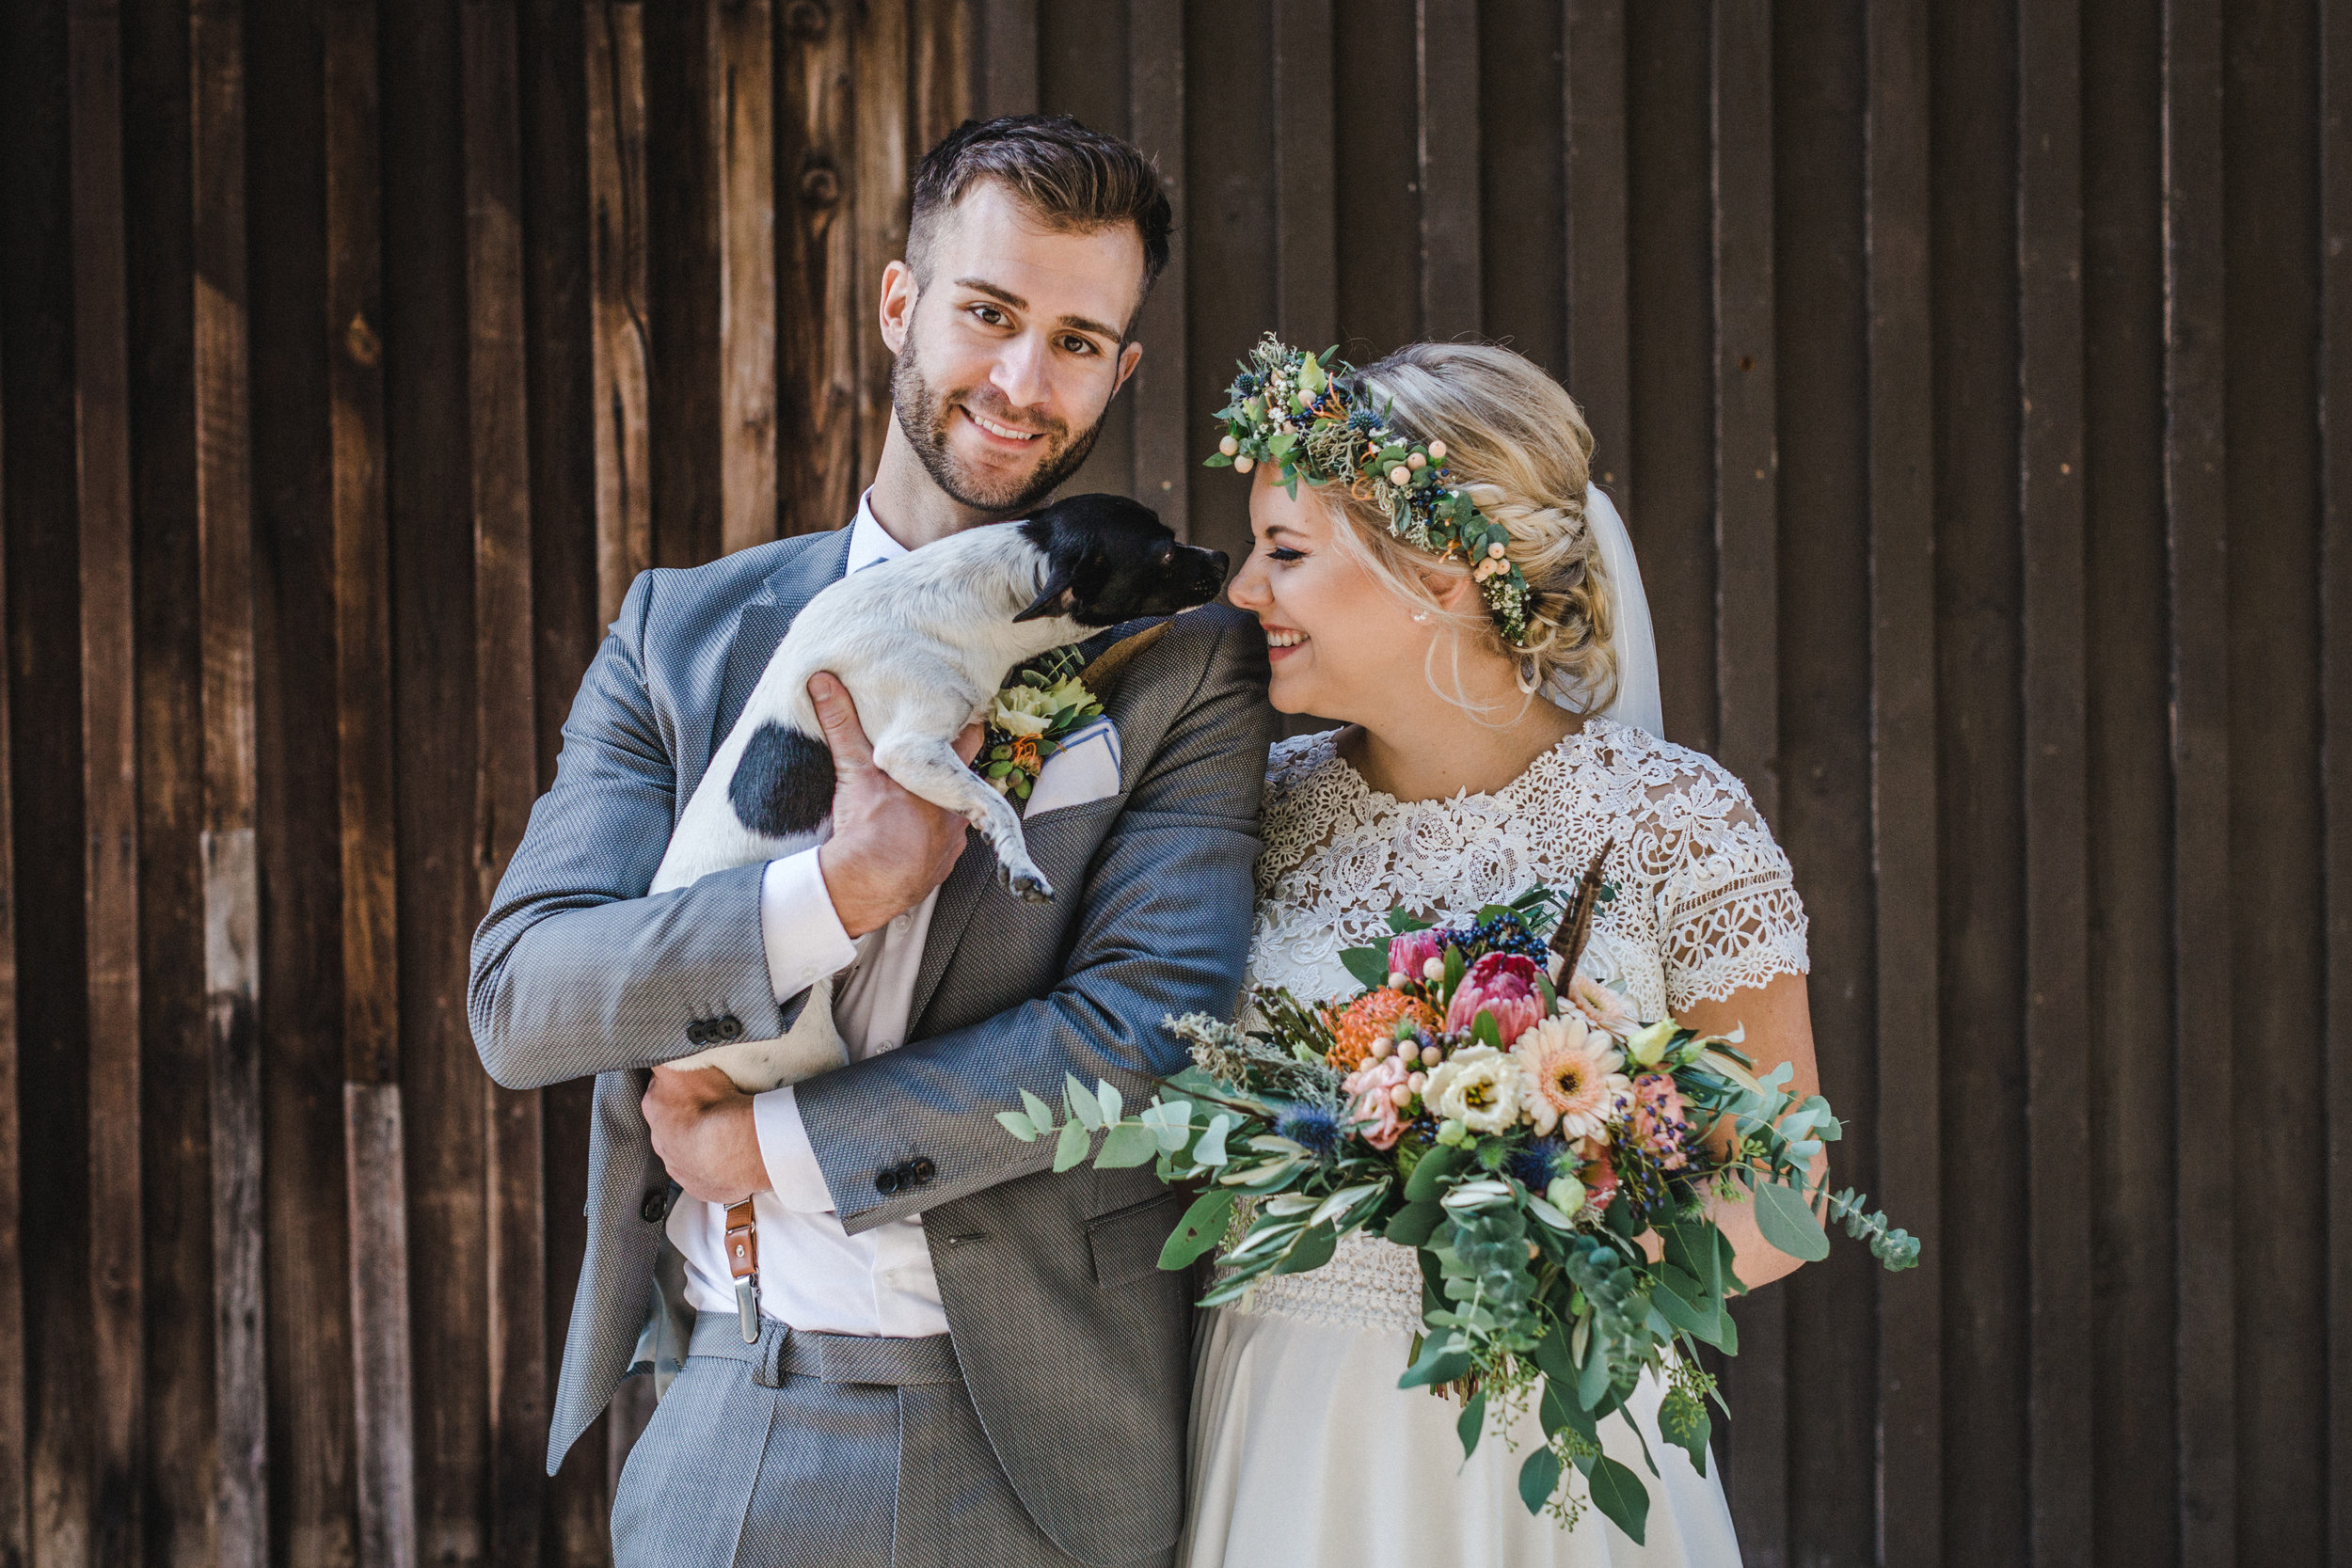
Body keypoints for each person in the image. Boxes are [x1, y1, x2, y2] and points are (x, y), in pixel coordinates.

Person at [469, 115, 1274, 1568]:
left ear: (1123, 369)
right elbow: (524, 1000)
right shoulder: (684, 635)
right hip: (733, 1426)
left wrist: (768, 1144)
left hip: (1038, 1457)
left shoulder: (1182, 661)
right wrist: (835, 892)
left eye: (1080, 341)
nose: (1025, 385)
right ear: (901, 304)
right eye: (988, 314)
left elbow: (1152, 1030)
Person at [1182, 340, 1819, 1566]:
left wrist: (1571, 1254)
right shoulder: (1248, 816)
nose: (1247, 591)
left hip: (1544, 1434)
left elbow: (1785, 1197)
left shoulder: (1670, 824)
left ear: (1447, 573)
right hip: (1288, 1430)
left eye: (1288, 551)